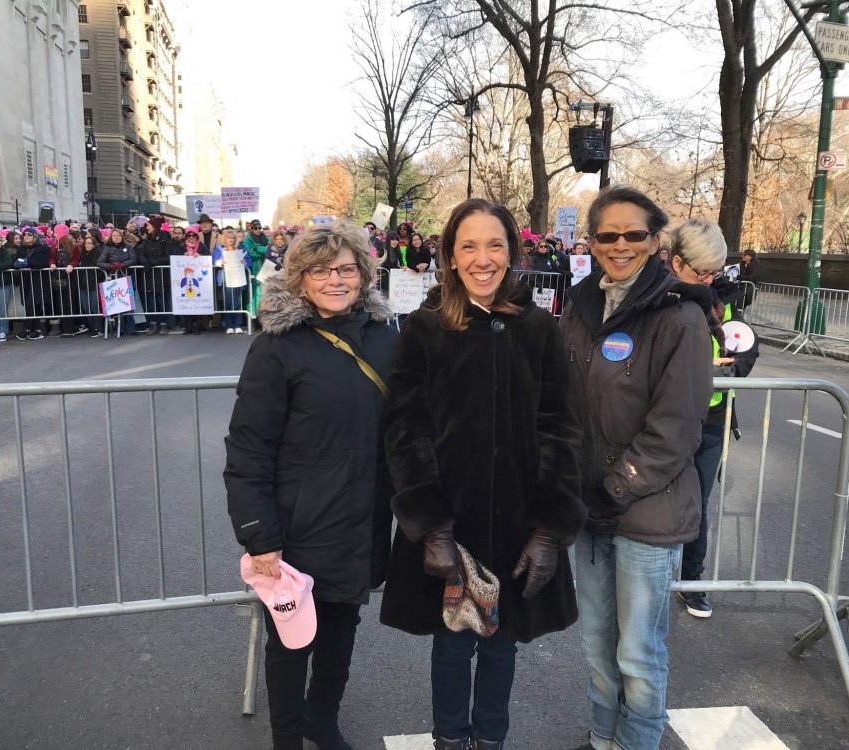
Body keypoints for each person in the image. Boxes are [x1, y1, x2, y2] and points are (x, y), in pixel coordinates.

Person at [382, 198, 585, 750]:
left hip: (520, 522)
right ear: (449, 255)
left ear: (512, 251)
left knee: (503, 644)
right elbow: (405, 429)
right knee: (452, 645)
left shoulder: (540, 328)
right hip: (455, 520)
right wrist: (433, 527)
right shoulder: (425, 329)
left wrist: (548, 531)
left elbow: (562, 429)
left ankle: (490, 740)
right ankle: (450, 740)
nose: (482, 258)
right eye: (468, 245)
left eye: (494, 244)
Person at [225, 220, 398, 750]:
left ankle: (323, 721)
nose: (335, 280)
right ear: (300, 278)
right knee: (291, 638)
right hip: (300, 521)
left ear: (364, 274)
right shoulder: (277, 347)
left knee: (343, 626)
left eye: (346, 268)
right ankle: (288, 738)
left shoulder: (386, 336)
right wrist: (260, 535)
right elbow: (249, 447)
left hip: (364, 513)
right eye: (321, 270)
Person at [559, 186, 715, 750]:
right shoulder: (576, 310)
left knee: (638, 650)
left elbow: (676, 425)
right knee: (597, 639)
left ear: (655, 241)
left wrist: (616, 486)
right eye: (607, 235)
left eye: (634, 235)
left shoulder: (680, 317)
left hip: (647, 508)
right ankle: (604, 735)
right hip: (590, 507)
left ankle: (639, 741)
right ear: (592, 241)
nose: (620, 245)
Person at [668, 219, 759, 618]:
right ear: (675, 263)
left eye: (713, 271)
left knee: (699, 503)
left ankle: (693, 580)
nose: (706, 279)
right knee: (655, 503)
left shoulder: (726, 298)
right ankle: (647, 579)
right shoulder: (661, 298)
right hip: (668, 419)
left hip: (713, 418)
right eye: (699, 271)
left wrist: (732, 369)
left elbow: (747, 347)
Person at [137, 216, 177, 335]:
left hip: (161, 274)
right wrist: (144, 261)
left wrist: (152, 263)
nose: (146, 227)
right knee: (151, 301)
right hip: (149, 275)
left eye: (148, 225)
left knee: (162, 300)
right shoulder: (147, 239)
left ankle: (164, 324)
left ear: (154, 226)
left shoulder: (165, 239)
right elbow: (141, 252)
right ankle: (153, 323)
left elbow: (167, 256)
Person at [15, 227, 53, 341]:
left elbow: (44, 263)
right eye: (25, 234)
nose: (26, 236)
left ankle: (27, 328)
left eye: (29, 234)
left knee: (31, 303)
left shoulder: (42, 248)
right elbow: (16, 260)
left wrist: (29, 264)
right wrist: (17, 264)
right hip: (25, 279)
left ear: (34, 236)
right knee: (31, 304)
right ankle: (37, 329)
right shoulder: (21, 249)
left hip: (38, 279)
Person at [99, 228, 138, 335]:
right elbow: (100, 262)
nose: (116, 237)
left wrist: (124, 264)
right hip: (113, 279)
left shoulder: (128, 246)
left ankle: (131, 328)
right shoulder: (107, 247)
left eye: (118, 236)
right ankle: (119, 328)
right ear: (111, 237)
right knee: (116, 304)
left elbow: (134, 259)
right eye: (114, 236)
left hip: (125, 277)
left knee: (128, 303)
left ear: (122, 237)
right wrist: (110, 266)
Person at [212, 225, 248, 334]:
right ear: (225, 238)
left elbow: (248, 260)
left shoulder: (241, 249)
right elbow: (214, 260)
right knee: (228, 302)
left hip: (237, 278)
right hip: (225, 279)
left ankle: (238, 324)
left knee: (237, 302)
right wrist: (219, 262)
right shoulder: (219, 249)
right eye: (229, 238)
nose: (231, 240)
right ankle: (229, 325)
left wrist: (244, 263)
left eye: (233, 238)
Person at [76, 234, 105, 337]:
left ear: (94, 245)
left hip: (94, 284)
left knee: (95, 307)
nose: (87, 245)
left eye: (89, 243)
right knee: (86, 307)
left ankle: (98, 328)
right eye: (86, 243)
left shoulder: (98, 254)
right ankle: (92, 327)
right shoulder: (83, 255)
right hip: (83, 284)